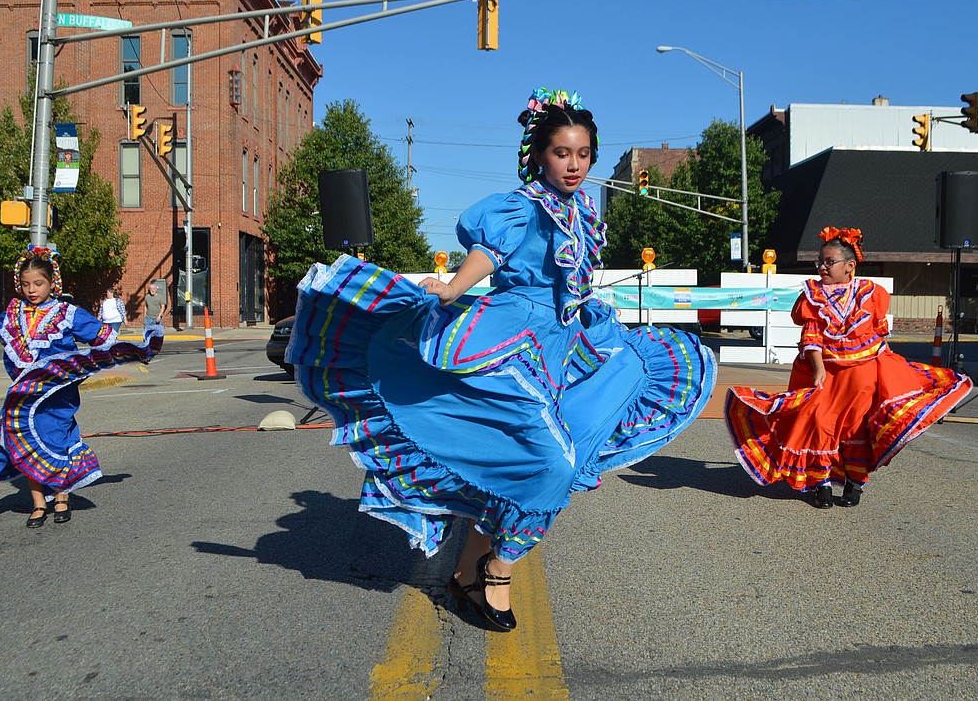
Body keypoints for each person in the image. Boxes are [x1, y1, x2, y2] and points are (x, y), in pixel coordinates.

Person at [286, 88, 717, 631]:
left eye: (584, 154)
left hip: (563, 346)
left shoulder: (582, 208)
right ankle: (497, 569)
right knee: (551, 464)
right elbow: (490, 255)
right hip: (511, 338)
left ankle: (467, 574)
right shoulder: (521, 206)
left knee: (547, 458)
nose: (575, 165)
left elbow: (572, 279)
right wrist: (451, 288)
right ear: (539, 154)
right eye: (563, 152)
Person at [725, 227, 973, 509]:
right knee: (818, 422)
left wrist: (887, 366)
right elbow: (812, 334)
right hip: (826, 372)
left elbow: (878, 332)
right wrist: (817, 366)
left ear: (850, 265)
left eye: (829, 262)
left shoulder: (871, 293)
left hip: (862, 372)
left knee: (857, 428)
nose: (822, 267)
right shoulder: (812, 295)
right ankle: (821, 484)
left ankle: (855, 484)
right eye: (820, 262)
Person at [0, 246, 163, 526]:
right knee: (24, 441)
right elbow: (10, 350)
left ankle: (61, 495)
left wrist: (126, 354)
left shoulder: (66, 313)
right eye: (25, 284)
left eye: (38, 283)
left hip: (58, 393)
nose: (31, 290)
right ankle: (37, 503)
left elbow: (100, 337)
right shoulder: (12, 314)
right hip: (25, 395)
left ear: (52, 283)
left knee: (56, 440)